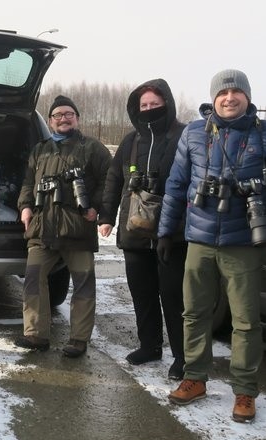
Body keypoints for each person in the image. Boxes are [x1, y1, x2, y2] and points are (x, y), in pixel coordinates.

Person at [158, 69, 266, 422]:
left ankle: (245, 390)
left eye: (237, 92)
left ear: (248, 97)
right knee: (193, 313)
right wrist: (164, 231)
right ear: (213, 98)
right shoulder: (193, 133)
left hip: (244, 243)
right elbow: (176, 186)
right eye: (223, 92)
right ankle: (194, 377)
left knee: (246, 320)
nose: (230, 97)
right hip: (199, 240)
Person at [98, 79, 187, 379]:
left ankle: (182, 357)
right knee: (142, 292)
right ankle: (150, 345)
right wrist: (106, 216)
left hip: (171, 232)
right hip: (134, 230)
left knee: (173, 295)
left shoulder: (184, 135)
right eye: (143, 105)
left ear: (167, 103)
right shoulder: (130, 141)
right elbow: (113, 179)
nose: (149, 109)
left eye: (154, 104)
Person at [14, 95, 111, 358]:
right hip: (42, 228)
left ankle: (78, 340)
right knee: (33, 279)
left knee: (83, 284)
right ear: (50, 121)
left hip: (77, 228)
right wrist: (24, 206)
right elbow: (27, 182)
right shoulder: (40, 149)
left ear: (77, 118)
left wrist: (97, 208)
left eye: (69, 114)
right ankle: (35, 335)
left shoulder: (92, 147)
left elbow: (110, 181)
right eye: (57, 115)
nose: (63, 118)